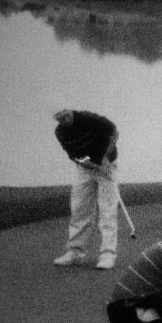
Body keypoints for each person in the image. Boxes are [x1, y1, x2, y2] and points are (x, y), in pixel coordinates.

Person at [52, 109, 120, 270]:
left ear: (70, 110)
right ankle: (75, 252)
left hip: (108, 164)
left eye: (66, 115)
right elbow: (76, 156)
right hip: (85, 169)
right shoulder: (60, 132)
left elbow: (114, 131)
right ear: (56, 119)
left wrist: (105, 158)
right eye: (60, 118)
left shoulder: (88, 118)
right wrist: (91, 165)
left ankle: (108, 254)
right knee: (79, 209)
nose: (65, 119)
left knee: (107, 210)